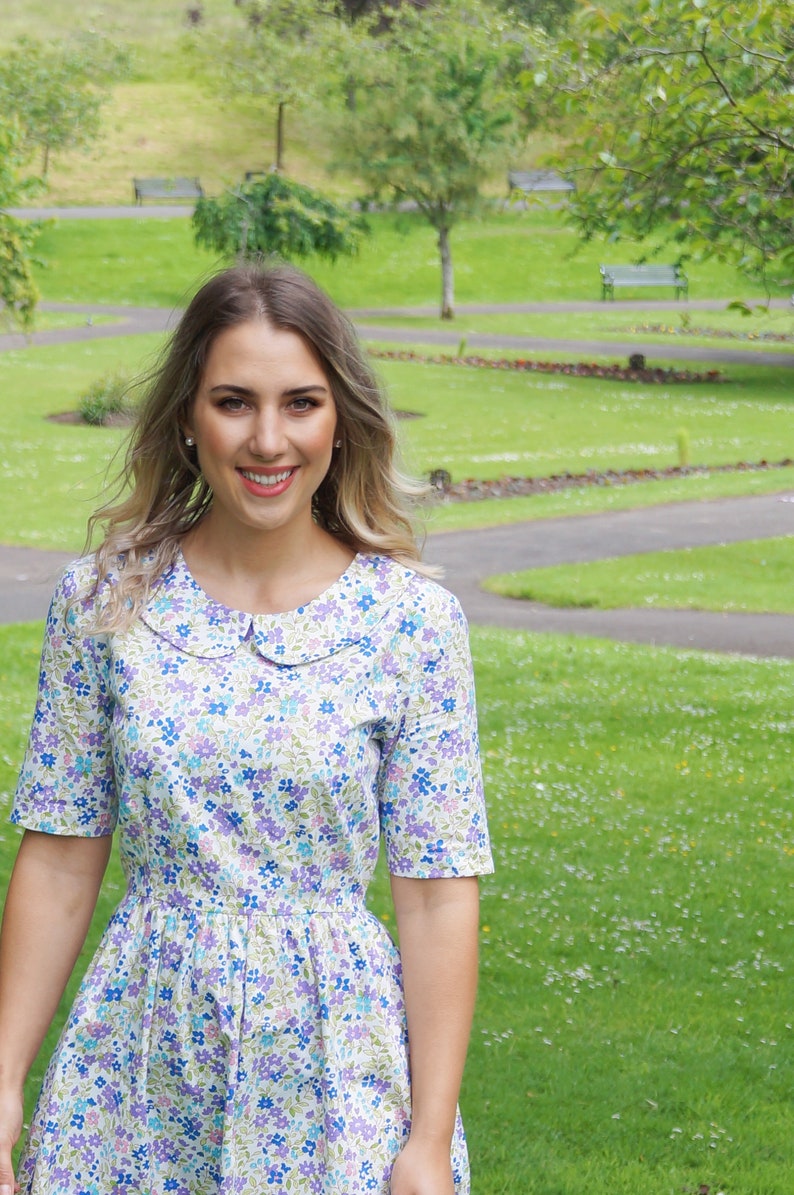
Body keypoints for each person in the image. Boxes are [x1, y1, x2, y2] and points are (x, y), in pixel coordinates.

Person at [0, 263, 493, 1195]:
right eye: (234, 401)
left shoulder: (410, 624)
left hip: (336, 1069)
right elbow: (63, 858)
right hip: (138, 1059)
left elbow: (436, 893)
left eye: (300, 402)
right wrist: (2, 1086)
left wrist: (427, 1138)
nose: (269, 438)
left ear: (338, 417)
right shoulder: (103, 602)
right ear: (189, 414)